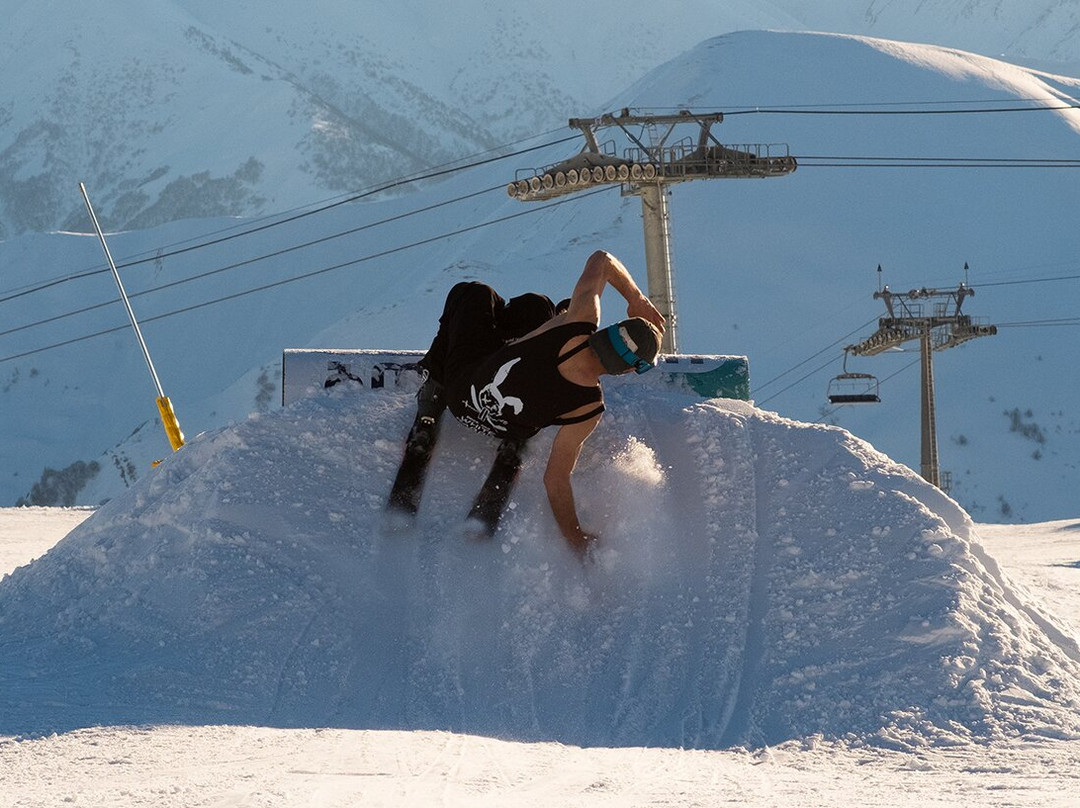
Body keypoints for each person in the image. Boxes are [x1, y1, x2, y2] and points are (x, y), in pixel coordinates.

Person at [406, 250, 665, 553]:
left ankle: (433, 387)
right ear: (630, 369)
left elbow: (602, 260)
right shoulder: (588, 408)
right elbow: (555, 481)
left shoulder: (579, 321)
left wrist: (637, 299)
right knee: (537, 307)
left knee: (474, 293)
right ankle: (513, 436)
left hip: (460, 394)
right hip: (506, 427)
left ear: (611, 330)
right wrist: (575, 537)